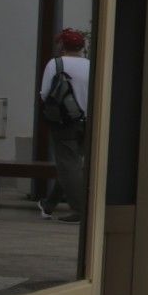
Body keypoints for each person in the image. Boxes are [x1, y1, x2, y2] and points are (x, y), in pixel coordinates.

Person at [37, 28, 91, 222]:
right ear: (82, 46)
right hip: (88, 121)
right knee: (73, 165)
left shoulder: (56, 64)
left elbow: (44, 94)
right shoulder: (91, 65)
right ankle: (49, 204)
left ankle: (79, 210)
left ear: (62, 45)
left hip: (64, 122)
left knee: (68, 165)